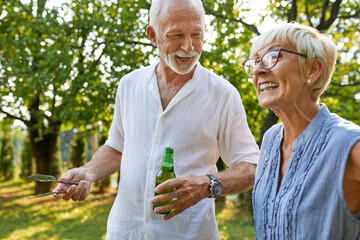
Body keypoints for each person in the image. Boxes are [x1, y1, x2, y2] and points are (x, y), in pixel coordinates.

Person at [53, 0, 259, 239]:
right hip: (124, 232)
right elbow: (117, 148)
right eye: (176, 35)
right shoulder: (129, 84)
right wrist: (88, 172)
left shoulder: (223, 94)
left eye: (197, 34)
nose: (189, 46)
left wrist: (206, 185)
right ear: (153, 36)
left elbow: (252, 167)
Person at [242, 22, 360, 239]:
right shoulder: (270, 139)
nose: (258, 70)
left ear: (312, 70)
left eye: (272, 57)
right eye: (255, 61)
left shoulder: (348, 143)